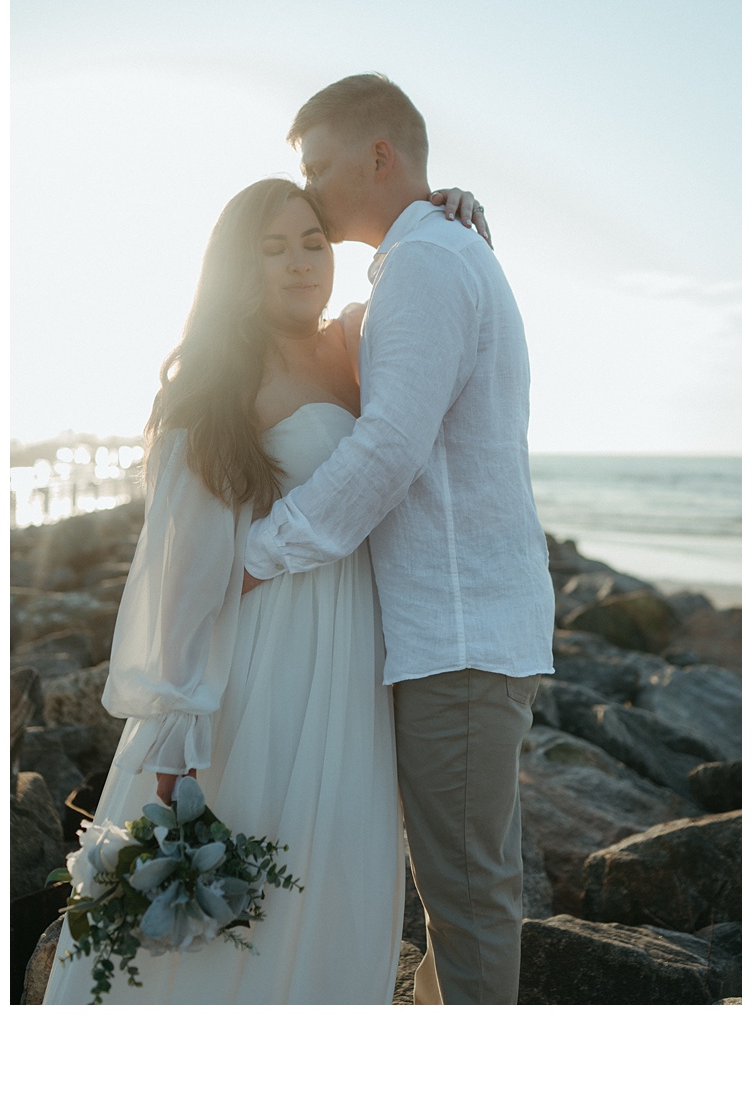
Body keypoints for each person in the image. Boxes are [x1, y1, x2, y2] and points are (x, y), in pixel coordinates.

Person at [43, 175, 484, 1005]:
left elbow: (432, 332)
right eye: (272, 248)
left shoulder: (359, 341)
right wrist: (174, 731)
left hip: (352, 660)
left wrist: (447, 213)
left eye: (313, 242)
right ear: (236, 269)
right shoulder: (215, 386)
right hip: (253, 666)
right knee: (229, 884)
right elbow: (183, 573)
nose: (298, 263)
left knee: (335, 872)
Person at [242, 74, 556, 1005]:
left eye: (319, 166)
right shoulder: (426, 258)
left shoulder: (427, 264)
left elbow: (389, 449)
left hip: (456, 638)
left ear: (379, 157)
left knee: (466, 904)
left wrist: (264, 552)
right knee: (458, 895)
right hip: (455, 633)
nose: (309, 187)